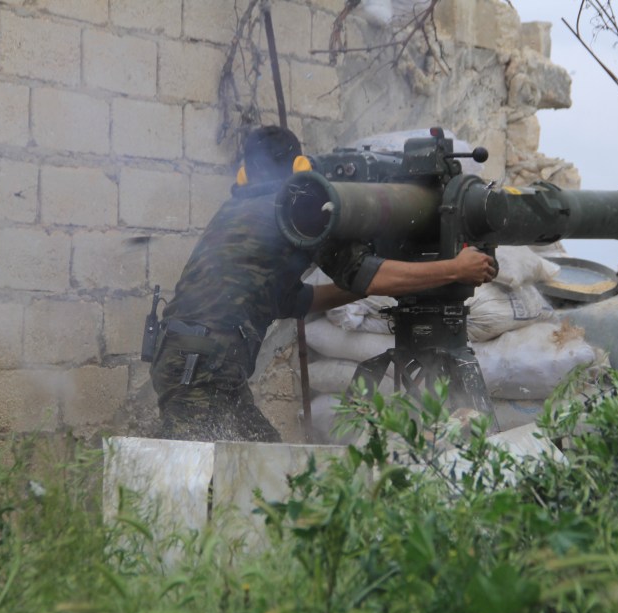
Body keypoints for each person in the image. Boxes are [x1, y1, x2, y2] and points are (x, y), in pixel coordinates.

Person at [149, 125, 496, 443]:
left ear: (245, 172)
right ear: (301, 165)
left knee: (262, 455)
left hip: (199, 359)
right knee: (189, 472)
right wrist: (454, 269)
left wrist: (381, 285)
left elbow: (296, 302)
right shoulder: (299, 208)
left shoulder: (236, 210)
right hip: (201, 365)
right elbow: (371, 275)